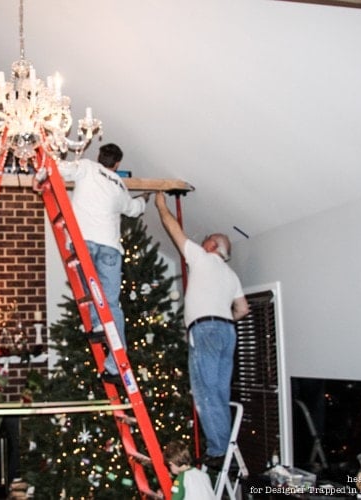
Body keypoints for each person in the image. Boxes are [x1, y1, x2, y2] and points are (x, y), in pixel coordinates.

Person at [35, 143, 148, 382]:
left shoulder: (86, 167)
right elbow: (135, 209)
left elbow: (56, 168)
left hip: (82, 241)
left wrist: (39, 176)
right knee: (110, 302)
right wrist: (145, 198)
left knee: (89, 288)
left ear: (99, 157)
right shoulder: (119, 184)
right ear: (117, 164)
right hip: (110, 247)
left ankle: (98, 327)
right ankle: (115, 363)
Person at [155, 192, 249, 467]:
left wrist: (162, 206)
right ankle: (226, 447)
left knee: (206, 393)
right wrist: (222, 317)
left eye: (206, 238)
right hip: (227, 332)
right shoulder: (231, 275)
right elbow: (242, 309)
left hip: (206, 331)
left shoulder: (202, 258)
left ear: (211, 245)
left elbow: (175, 230)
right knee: (219, 392)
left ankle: (220, 451)